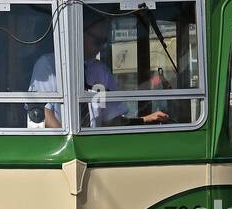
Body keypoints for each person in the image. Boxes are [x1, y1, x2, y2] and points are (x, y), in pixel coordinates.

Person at [27, 21, 168, 128]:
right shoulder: (48, 65)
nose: (101, 47)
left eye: (104, 42)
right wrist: (68, 141)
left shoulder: (101, 72)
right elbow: (42, 111)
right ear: (79, 36)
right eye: (97, 41)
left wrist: (144, 120)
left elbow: (111, 119)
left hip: (93, 146)